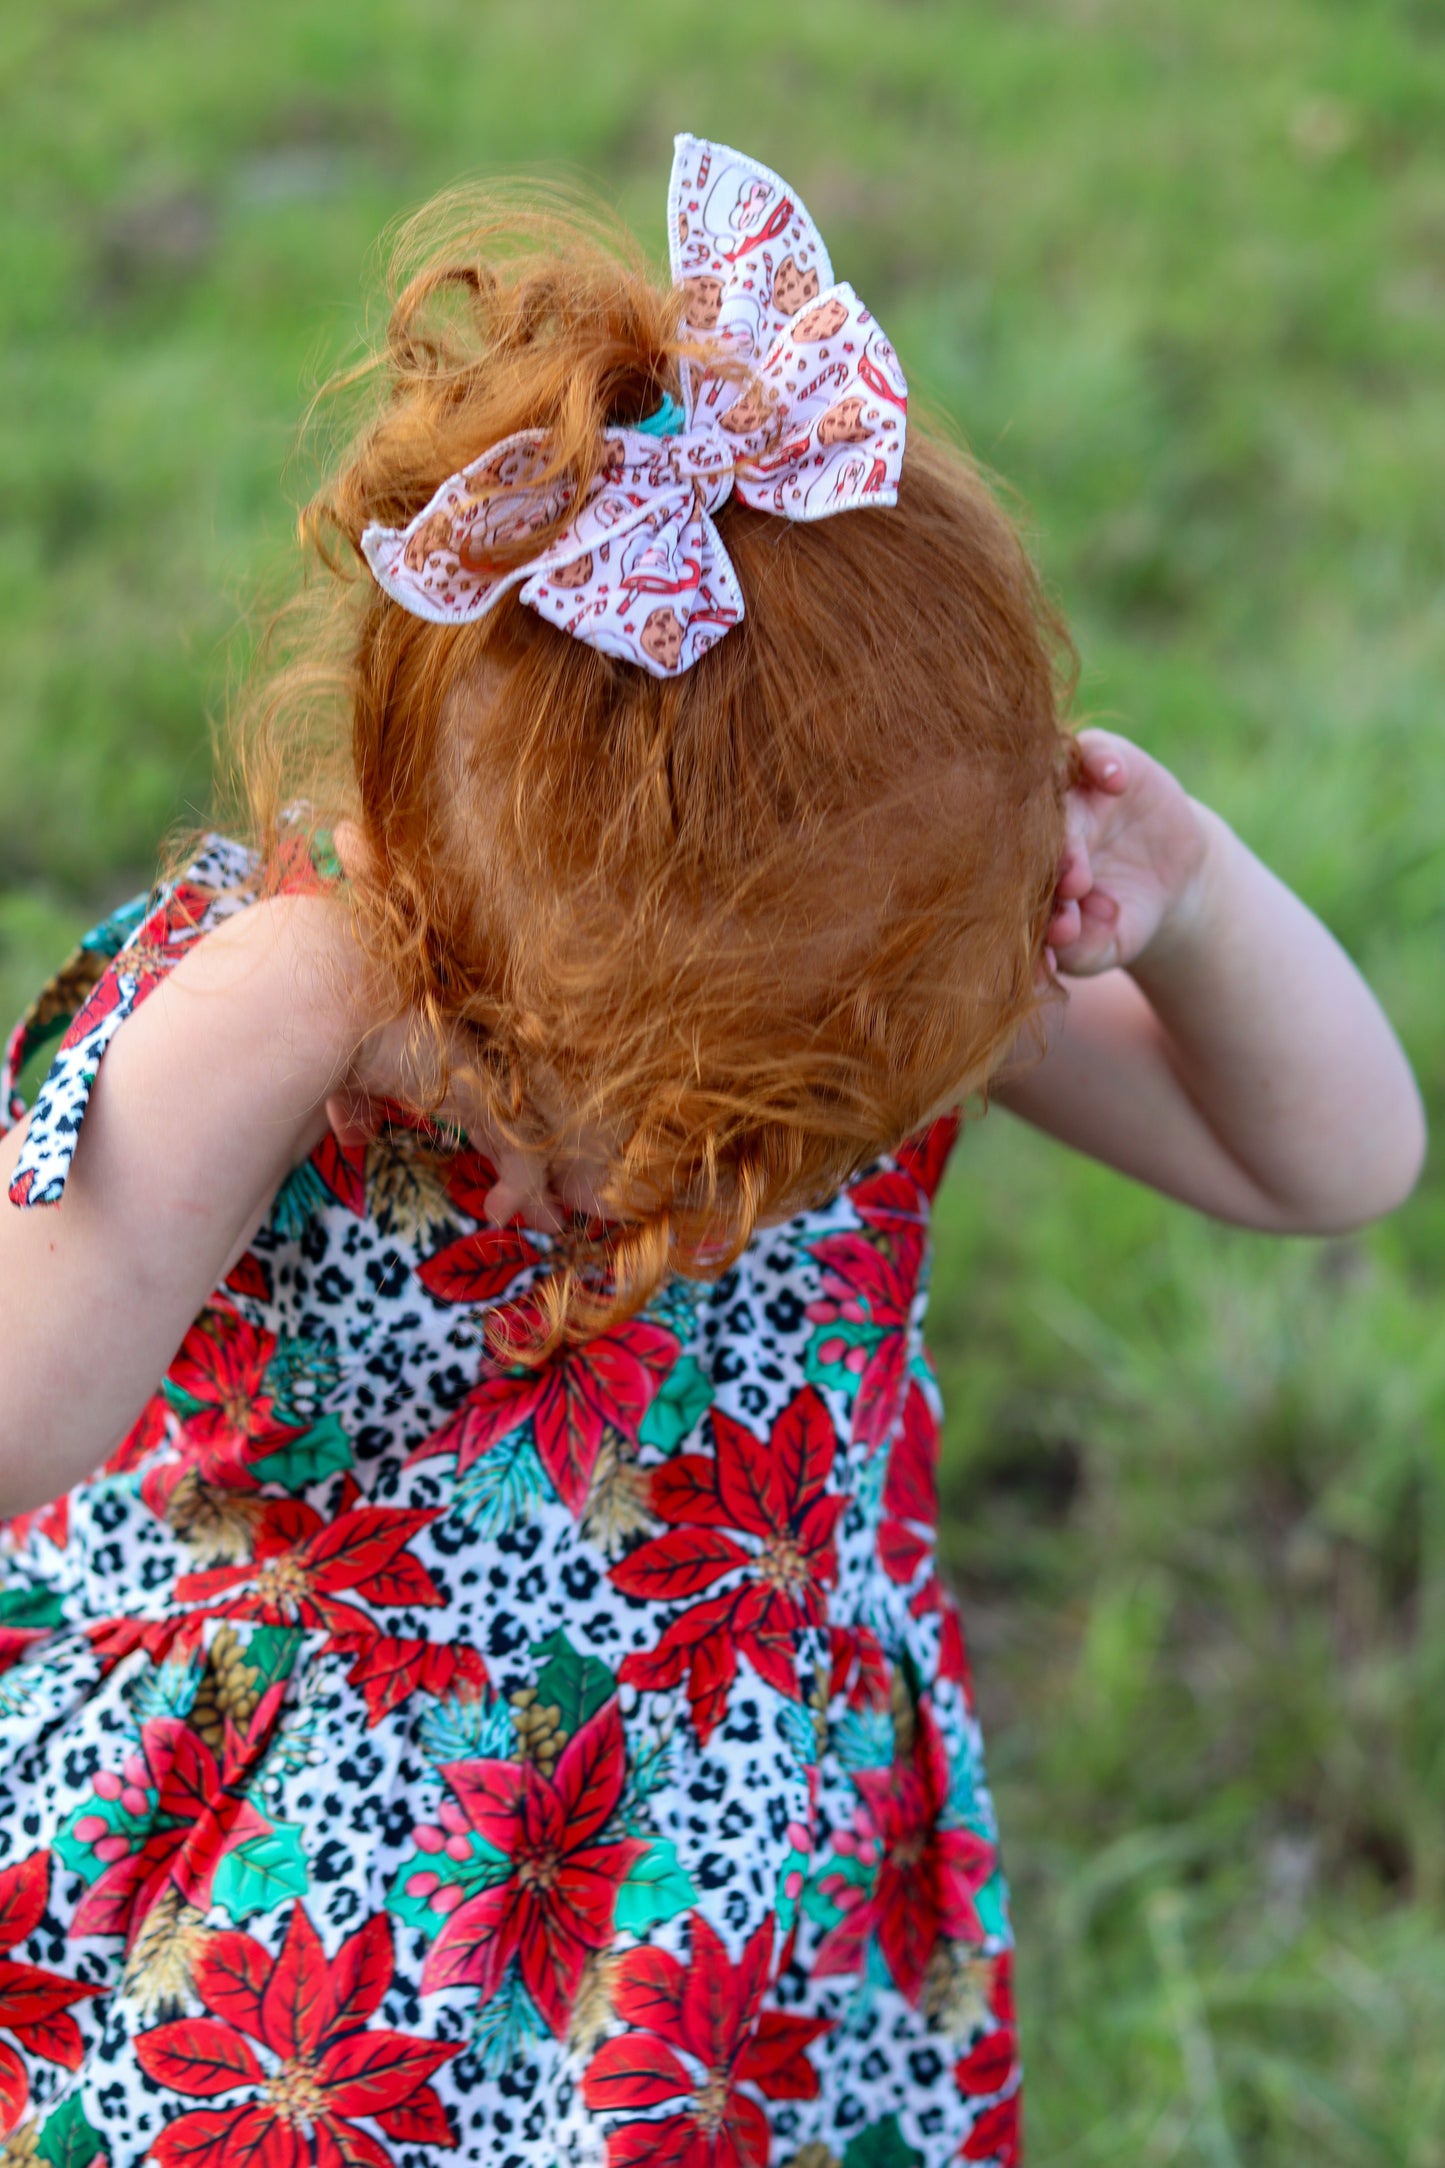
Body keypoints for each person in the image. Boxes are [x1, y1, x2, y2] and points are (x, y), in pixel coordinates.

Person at [0, 135, 1423, 2168]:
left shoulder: (866, 981)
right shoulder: (290, 1010)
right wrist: (298, 1006)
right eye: (683, 1096)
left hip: (735, 1940)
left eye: (820, 1100)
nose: (756, 1160)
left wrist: (1187, 892)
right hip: (299, 1949)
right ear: (448, 900)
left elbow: (1335, 1162)